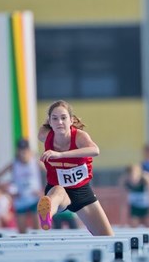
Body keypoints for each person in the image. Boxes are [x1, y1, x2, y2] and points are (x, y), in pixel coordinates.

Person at [36, 100, 114, 236]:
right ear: (49, 121)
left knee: (108, 238)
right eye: (54, 119)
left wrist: (60, 155)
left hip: (81, 191)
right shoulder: (44, 135)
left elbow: (95, 150)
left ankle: (49, 210)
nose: (59, 122)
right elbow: (45, 127)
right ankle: (47, 213)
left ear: (71, 120)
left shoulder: (79, 136)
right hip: (58, 189)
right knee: (58, 193)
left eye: (63, 118)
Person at [0, 139, 44, 233]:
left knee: (38, 231)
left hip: (35, 200)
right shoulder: (13, 164)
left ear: (29, 150)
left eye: (25, 150)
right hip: (20, 201)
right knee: (22, 232)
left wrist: (43, 191)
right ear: (18, 151)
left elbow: (51, 175)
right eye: (21, 150)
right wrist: (8, 192)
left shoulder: (36, 162)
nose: (23, 152)